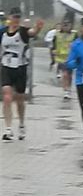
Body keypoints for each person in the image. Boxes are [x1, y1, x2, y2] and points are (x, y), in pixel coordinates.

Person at [1, 7, 44, 141]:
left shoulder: (23, 32)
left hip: (20, 68)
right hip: (6, 67)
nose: (16, 20)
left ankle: (21, 124)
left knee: (19, 99)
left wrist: (38, 27)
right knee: (7, 96)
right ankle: (8, 129)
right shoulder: (3, 32)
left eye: (18, 17)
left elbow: (32, 32)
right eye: (14, 17)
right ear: (9, 18)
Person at [52, 20, 77, 100]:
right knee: (65, 74)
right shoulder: (57, 34)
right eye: (64, 25)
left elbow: (78, 43)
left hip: (71, 57)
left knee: (69, 75)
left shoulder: (74, 34)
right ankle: (66, 90)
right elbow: (54, 43)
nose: (66, 27)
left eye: (68, 25)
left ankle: (69, 88)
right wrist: (54, 49)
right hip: (61, 57)